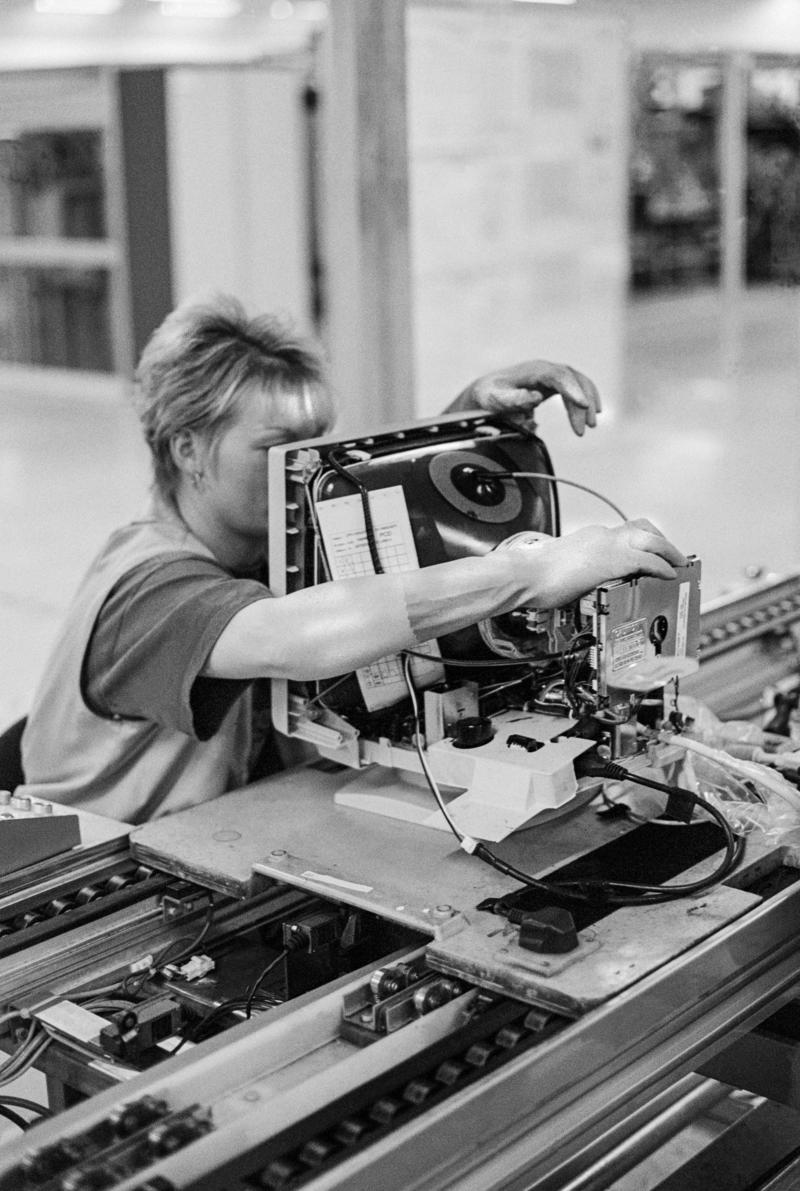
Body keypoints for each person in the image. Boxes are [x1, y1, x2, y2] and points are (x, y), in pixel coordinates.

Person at [19, 295, 686, 824]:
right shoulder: (150, 592)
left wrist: (466, 426)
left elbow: (363, 573)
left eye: (318, 442)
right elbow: (298, 635)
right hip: (100, 889)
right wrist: (530, 571)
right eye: (279, 449)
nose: (310, 468)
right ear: (189, 450)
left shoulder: (259, 547)